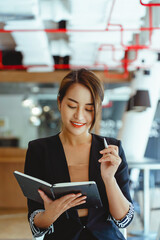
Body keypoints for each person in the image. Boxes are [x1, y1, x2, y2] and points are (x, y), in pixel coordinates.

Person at [24, 68, 134, 240]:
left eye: (89, 109)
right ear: (60, 102)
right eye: (72, 106)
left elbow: (124, 220)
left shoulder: (111, 148)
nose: (79, 116)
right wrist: (50, 214)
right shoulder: (39, 150)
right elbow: (35, 223)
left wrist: (109, 179)